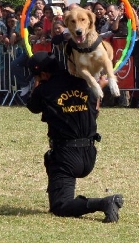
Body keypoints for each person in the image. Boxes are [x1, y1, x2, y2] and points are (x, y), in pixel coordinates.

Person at [26, 51, 123, 223]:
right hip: (89, 153)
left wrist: (38, 84)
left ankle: (105, 202)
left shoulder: (44, 90)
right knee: (59, 201)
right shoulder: (85, 83)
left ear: (43, 74)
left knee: (60, 207)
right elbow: (96, 112)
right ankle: (63, 195)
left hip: (66, 156)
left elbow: (33, 107)